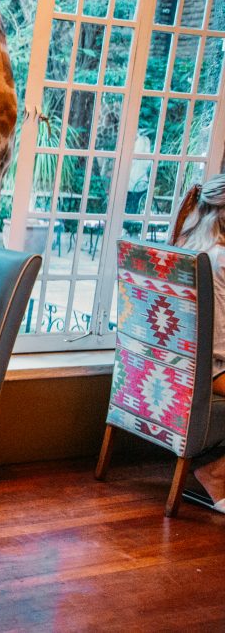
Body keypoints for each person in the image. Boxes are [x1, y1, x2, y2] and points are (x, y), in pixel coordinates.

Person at [169, 172, 225, 514]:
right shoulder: (220, 259)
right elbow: (219, 347)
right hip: (212, 369)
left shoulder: (183, 245)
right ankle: (215, 473)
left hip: (173, 366)